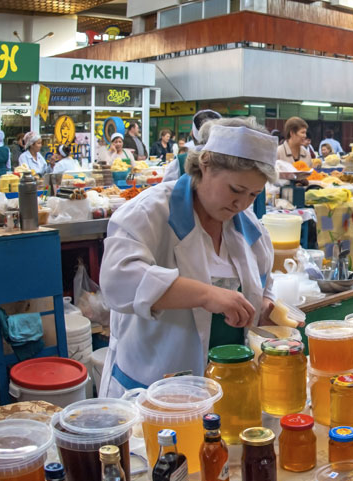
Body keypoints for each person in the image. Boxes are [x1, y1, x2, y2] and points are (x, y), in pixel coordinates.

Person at [98, 118, 280, 396]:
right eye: (235, 190)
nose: (241, 204)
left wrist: (266, 305)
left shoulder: (251, 229)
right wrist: (207, 295)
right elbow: (117, 281)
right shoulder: (148, 214)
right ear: (205, 164)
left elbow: (264, 285)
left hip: (228, 389)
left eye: (253, 194)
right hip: (153, 388)